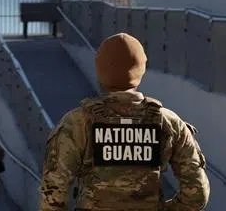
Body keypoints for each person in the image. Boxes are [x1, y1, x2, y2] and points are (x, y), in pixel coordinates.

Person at [39, 33, 210, 211]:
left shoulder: (77, 122)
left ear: (100, 70)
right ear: (141, 69)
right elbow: (197, 194)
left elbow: (52, 193)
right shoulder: (169, 122)